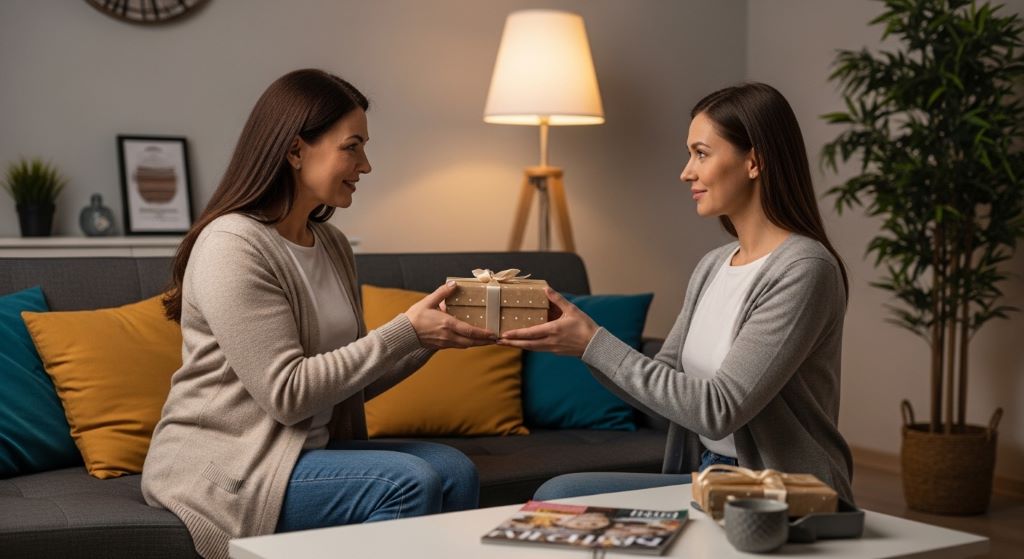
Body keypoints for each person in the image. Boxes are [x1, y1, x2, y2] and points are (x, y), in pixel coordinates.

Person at [141, 69, 494, 559]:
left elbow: (348, 383)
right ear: (295, 151)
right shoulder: (232, 246)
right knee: (406, 482)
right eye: (352, 147)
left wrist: (429, 338)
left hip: (304, 453)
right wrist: (406, 329)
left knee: (455, 470)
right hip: (230, 467)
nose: (365, 165)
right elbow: (288, 395)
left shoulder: (331, 243)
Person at [499, 82, 854, 504]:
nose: (687, 172)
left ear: (754, 161)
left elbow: (719, 409)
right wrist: (580, 347)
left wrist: (594, 342)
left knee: (562, 495)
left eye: (701, 154)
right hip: (708, 475)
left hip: (777, 492)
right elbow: (660, 387)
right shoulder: (713, 265)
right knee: (559, 494)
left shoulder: (803, 270)